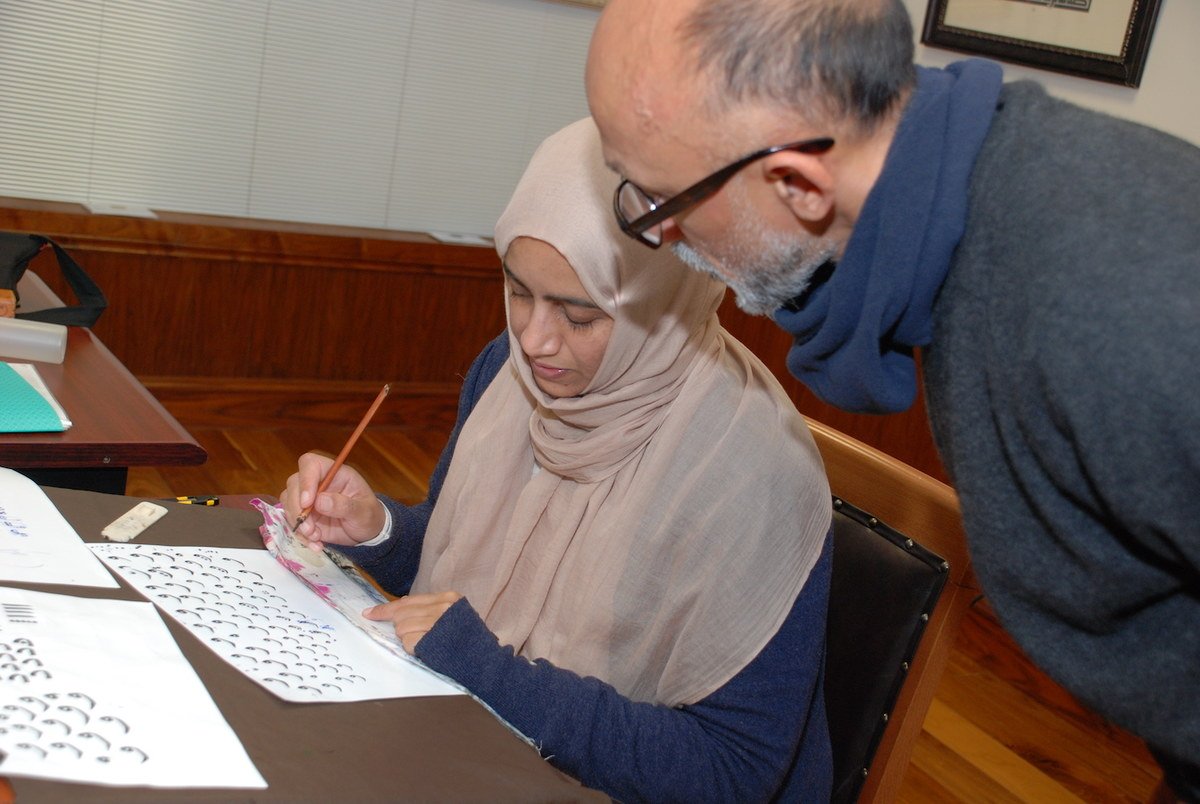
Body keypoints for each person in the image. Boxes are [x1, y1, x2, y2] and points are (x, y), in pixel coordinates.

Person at [585, 0, 1200, 798]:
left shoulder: (1121, 305)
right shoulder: (971, 226)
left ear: (799, 184)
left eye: (662, 202)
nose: (662, 236)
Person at [280, 117, 835, 802]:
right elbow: (459, 568)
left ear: (665, 296)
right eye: (518, 291)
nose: (535, 340)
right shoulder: (507, 372)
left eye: (578, 316)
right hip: (474, 741)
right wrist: (376, 530)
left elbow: (733, 771)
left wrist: (493, 673)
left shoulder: (754, 473)